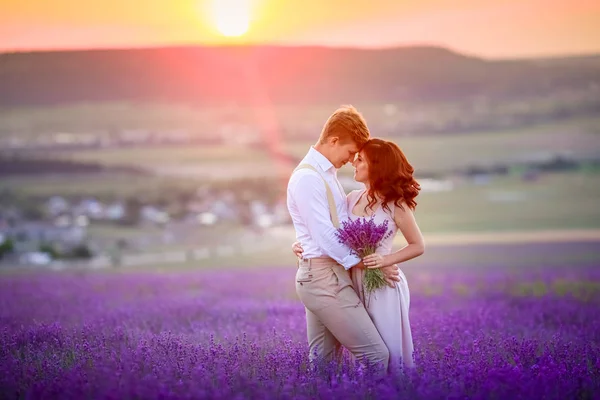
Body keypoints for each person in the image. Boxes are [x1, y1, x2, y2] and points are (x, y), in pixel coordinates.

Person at [293, 138, 425, 371]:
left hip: (382, 286)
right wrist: (302, 244)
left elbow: (417, 245)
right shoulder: (351, 198)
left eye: (361, 159)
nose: (354, 161)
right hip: (352, 280)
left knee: (389, 352)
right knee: (364, 353)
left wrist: (385, 260)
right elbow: (328, 229)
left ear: (376, 166)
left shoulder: (395, 204)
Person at [287, 106, 401, 373]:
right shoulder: (307, 178)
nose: (352, 161)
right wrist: (371, 264)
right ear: (333, 140)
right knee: (376, 357)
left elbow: (327, 227)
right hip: (323, 279)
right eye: (351, 153)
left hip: (326, 275)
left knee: (325, 368)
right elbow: (325, 234)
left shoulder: (326, 176)